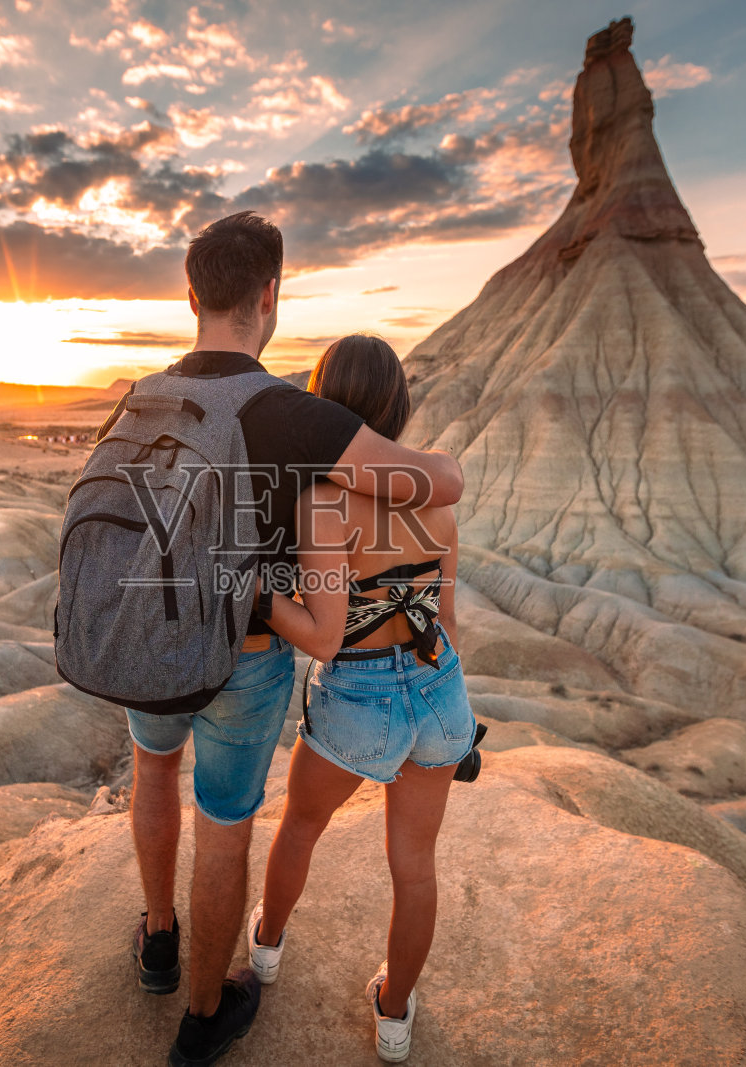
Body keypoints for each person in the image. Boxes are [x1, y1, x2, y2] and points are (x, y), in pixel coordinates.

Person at [121, 213, 464, 1067]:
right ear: (269, 296)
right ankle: (230, 1014)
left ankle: (178, 940)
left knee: (175, 777)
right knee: (244, 825)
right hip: (378, 678)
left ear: (191, 293)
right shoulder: (298, 420)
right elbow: (440, 572)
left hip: (153, 641)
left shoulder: (142, 397)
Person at [246, 334, 476, 1064]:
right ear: (398, 405)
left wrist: (260, 593)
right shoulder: (433, 498)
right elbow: (447, 614)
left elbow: (320, 637)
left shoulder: (325, 501)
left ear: (324, 403)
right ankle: (394, 1013)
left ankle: (266, 947)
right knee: (415, 866)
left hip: (360, 696)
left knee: (300, 826)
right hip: (441, 689)